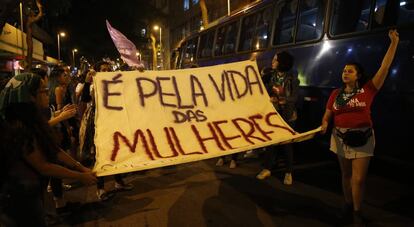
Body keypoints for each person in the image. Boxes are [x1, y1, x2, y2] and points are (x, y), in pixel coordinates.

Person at [320, 29, 399, 225]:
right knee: (345, 175)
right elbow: (328, 114)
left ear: (358, 75)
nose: (345, 73)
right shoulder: (335, 94)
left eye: (350, 71)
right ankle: (347, 205)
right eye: (344, 70)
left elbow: (385, 67)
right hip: (339, 137)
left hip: (362, 138)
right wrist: (324, 124)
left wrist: (394, 43)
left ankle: (357, 212)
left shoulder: (368, 90)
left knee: (359, 180)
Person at [0, 73, 97, 226]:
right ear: (28, 96)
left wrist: (81, 167)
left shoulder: (34, 120)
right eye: (43, 91)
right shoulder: (18, 127)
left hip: (34, 192)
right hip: (18, 200)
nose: (48, 94)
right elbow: (43, 166)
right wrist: (80, 176)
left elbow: (54, 149)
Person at [79, 61, 134, 201]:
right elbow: (85, 99)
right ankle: (100, 188)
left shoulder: (115, 83)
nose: (106, 71)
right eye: (103, 69)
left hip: (113, 120)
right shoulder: (92, 85)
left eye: (108, 69)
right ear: (96, 72)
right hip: (98, 122)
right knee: (101, 155)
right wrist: (87, 81)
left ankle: (118, 181)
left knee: (115, 152)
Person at [256, 51, 299, 185]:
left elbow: (295, 97)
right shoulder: (271, 75)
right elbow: (261, 86)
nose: (272, 62)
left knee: (286, 145)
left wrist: (283, 100)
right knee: (270, 143)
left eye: (275, 60)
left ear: (282, 62)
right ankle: (267, 168)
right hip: (273, 115)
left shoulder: (292, 78)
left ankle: (288, 172)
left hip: (288, 116)